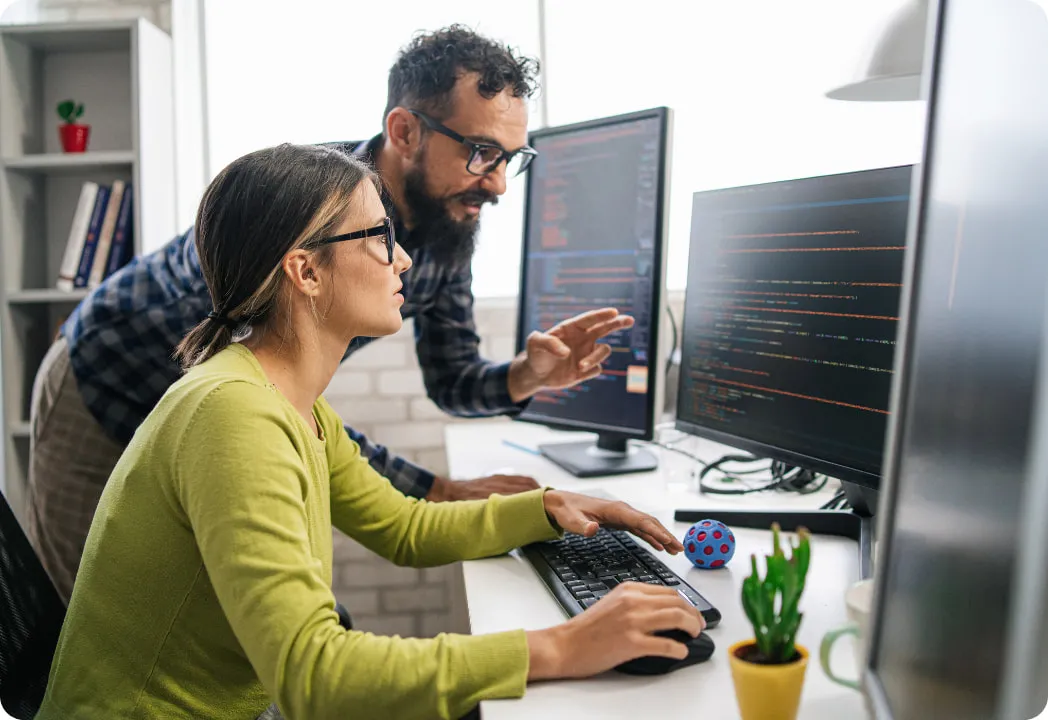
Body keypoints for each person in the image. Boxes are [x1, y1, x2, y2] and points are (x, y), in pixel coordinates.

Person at [35, 143, 706, 720]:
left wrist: (548, 510)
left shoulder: (289, 400)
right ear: (305, 270)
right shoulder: (235, 416)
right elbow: (314, 677)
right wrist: (560, 647)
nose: (405, 261)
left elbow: (405, 529)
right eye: (380, 239)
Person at [25, 24, 632, 603]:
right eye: (480, 153)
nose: (498, 185)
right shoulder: (303, 200)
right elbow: (265, 389)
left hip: (210, 405)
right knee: (93, 616)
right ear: (404, 131)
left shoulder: (445, 223)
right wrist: (436, 491)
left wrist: (525, 376)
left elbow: (450, 379)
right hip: (105, 380)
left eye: (510, 158)